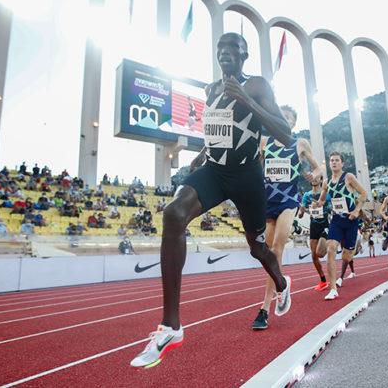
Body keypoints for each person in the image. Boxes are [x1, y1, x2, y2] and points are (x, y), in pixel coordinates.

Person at [130, 33, 293, 368]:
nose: (224, 54)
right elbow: (221, 128)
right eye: (220, 49)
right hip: (216, 171)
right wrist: (204, 152)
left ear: (244, 54)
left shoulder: (258, 84)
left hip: (248, 176)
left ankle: (280, 282)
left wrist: (247, 100)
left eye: (231, 49)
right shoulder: (210, 90)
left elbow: (284, 133)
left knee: (257, 247)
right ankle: (170, 327)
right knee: (174, 214)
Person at [252, 106, 324, 330]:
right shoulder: (264, 142)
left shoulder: (299, 143)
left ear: (293, 123)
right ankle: (283, 284)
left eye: (289, 118)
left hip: (288, 201)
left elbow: (319, 166)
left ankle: (264, 309)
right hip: (267, 201)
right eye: (280, 116)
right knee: (265, 253)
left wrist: (316, 174)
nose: (284, 120)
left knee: (276, 248)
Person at [318, 152, 367, 301]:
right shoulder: (326, 182)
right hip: (336, 221)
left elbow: (363, 193)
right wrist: (315, 204)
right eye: (331, 160)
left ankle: (356, 244)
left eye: (337, 160)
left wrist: (357, 210)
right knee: (331, 249)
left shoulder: (348, 177)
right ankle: (333, 289)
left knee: (347, 256)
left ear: (342, 163)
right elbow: (321, 200)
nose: (334, 163)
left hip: (351, 221)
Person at [299, 176, 332, 288]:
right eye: (312, 178)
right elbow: (301, 212)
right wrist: (301, 211)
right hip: (313, 226)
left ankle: (329, 246)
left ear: (321, 180)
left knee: (320, 253)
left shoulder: (326, 195)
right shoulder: (306, 195)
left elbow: (332, 207)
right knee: (314, 256)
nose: (314, 179)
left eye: (316, 178)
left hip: (325, 225)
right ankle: (323, 280)